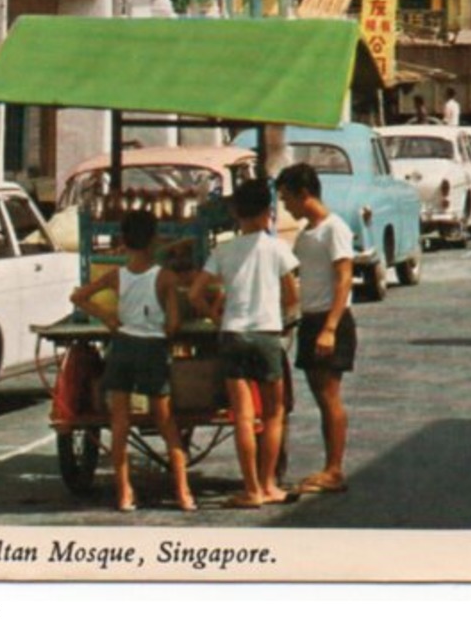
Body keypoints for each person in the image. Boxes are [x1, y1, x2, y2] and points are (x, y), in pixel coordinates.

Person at [69, 209, 194, 513]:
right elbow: (174, 324)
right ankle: (183, 492)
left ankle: (124, 493)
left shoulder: (117, 275)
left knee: (120, 424)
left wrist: (108, 316)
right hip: (152, 349)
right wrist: (167, 323)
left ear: (123, 241)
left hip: (123, 346)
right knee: (166, 423)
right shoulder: (165, 276)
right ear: (155, 240)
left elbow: (79, 297)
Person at [189, 178, 299, 509]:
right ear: (268, 213)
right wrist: (277, 311)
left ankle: (250, 490)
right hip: (266, 335)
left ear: (235, 212)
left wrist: (215, 317)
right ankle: (268, 485)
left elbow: (195, 293)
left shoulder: (223, 250)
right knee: (274, 413)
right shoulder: (278, 247)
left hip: (233, 334)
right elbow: (292, 295)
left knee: (242, 416)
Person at [276, 163, 354, 496]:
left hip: (329, 320)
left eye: (287, 198)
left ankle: (335, 469)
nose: (285, 207)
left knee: (329, 395)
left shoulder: (334, 228)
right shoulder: (307, 233)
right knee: (320, 396)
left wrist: (330, 328)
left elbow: (344, 278)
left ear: (303, 193)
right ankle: (328, 467)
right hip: (310, 318)